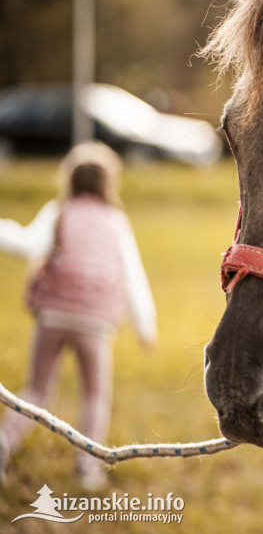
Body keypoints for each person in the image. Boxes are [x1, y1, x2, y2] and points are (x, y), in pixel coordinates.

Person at [0, 143, 156, 489]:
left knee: (36, 390)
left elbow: (26, 243)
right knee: (95, 395)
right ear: (108, 183)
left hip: (52, 316)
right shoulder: (116, 222)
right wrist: (145, 325)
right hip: (95, 323)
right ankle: (88, 466)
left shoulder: (60, 212)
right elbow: (134, 276)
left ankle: (4, 443)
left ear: (69, 179)